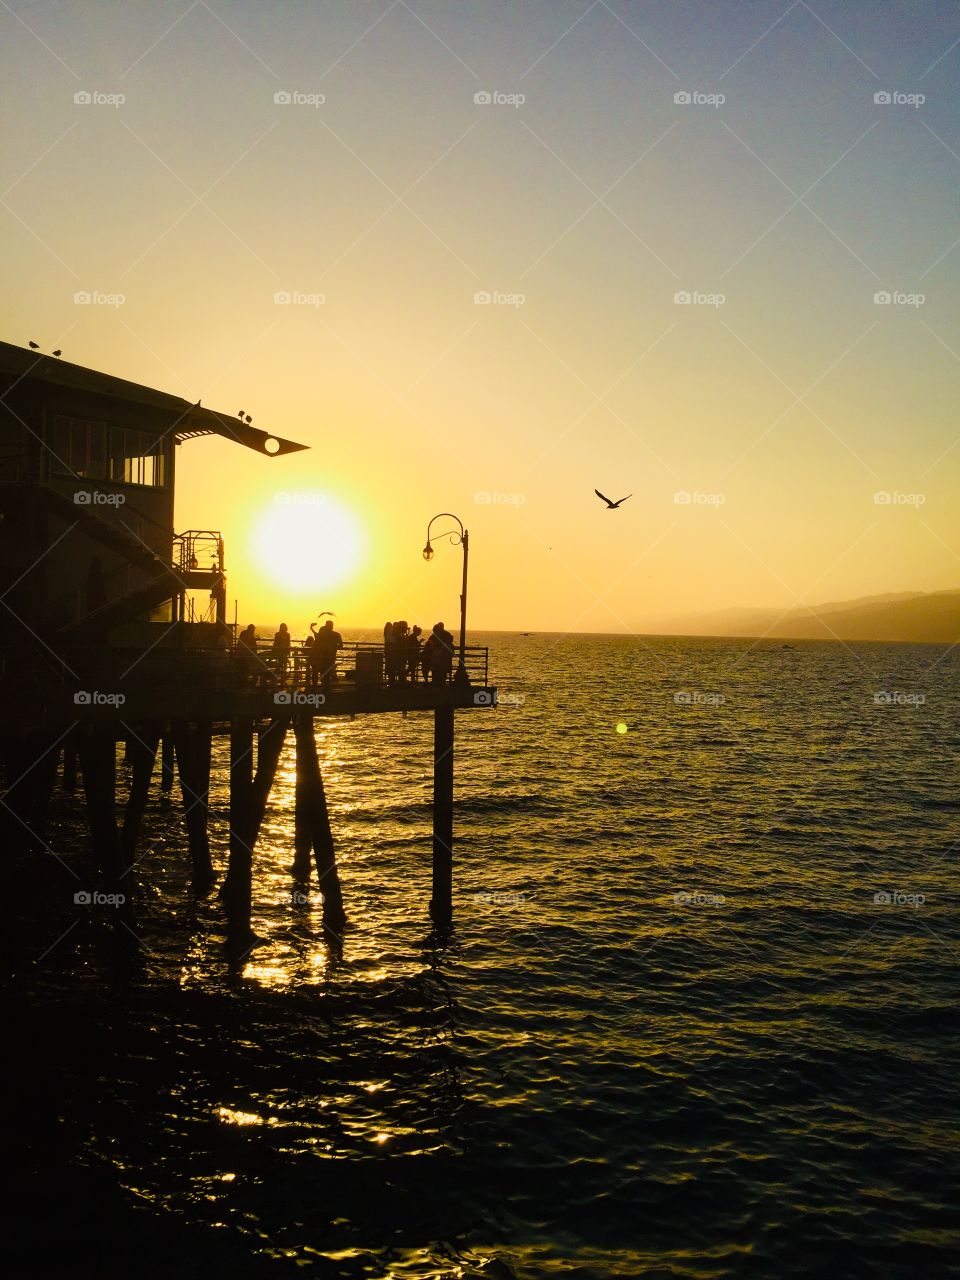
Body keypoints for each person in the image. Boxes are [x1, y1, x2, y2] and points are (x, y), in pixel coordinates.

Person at [311, 618, 342, 693]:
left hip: (321, 658)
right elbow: (341, 646)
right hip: (331, 658)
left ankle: (317, 689)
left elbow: (316, 645)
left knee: (318, 672)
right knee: (327, 674)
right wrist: (333, 647)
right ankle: (327, 690)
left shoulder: (322, 635)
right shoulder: (337, 635)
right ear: (332, 626)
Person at [272, 622, 291, 687]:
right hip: (282, 652)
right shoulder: (287, 634)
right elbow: (288, 644)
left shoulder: (278, 634)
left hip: (281, 652)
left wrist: (274, 651)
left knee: (280, 665)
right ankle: (283, 679)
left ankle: (278, 678)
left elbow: (275, 643)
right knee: (283, 665)